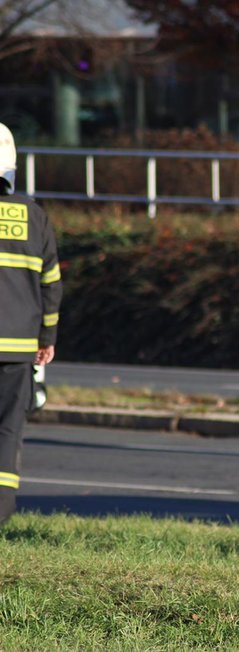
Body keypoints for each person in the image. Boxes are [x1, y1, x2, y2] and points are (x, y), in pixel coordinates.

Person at [0, 122, 62, 526]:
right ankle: (1, 511)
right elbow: (51, 283)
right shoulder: (33, 215)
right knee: (8, 429)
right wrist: (47, 337)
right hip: (19, 346)